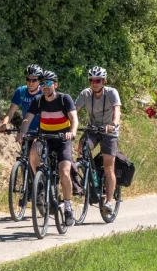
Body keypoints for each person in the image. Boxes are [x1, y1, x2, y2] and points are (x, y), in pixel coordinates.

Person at [18, 70, 78, 227]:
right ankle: (41, 182)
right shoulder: (38, 101)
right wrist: (22, 133)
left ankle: (67, 208)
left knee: (64, 171)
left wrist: (72, 132)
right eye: (42, 84)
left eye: (48, 83)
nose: (45, 86)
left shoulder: (65, 99)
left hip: (62, 139)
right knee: (33, 152)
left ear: (55, 85)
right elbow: (27, 119)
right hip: (45, 138)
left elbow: (74, 118)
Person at [75, 66, 122, 214]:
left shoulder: (111, 93)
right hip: (93, 129)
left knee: (108, 166)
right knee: (82, 145)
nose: (94, 83)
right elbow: (73, 111)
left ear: (104, 81)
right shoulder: (85, 94)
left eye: (98, 80)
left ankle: (109, 201)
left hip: (109, 131)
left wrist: (113, 125)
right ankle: (88, 174)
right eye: (92, 80)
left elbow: (117, 111)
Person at [0, 64, 43, 134]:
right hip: (26, 130)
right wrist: (4, 124)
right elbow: (11, 111)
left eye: (34, 80)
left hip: (43, 132)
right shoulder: (21, 91)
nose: (30, 83)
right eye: (28, 79)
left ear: (39, 81)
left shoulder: (44, 92)